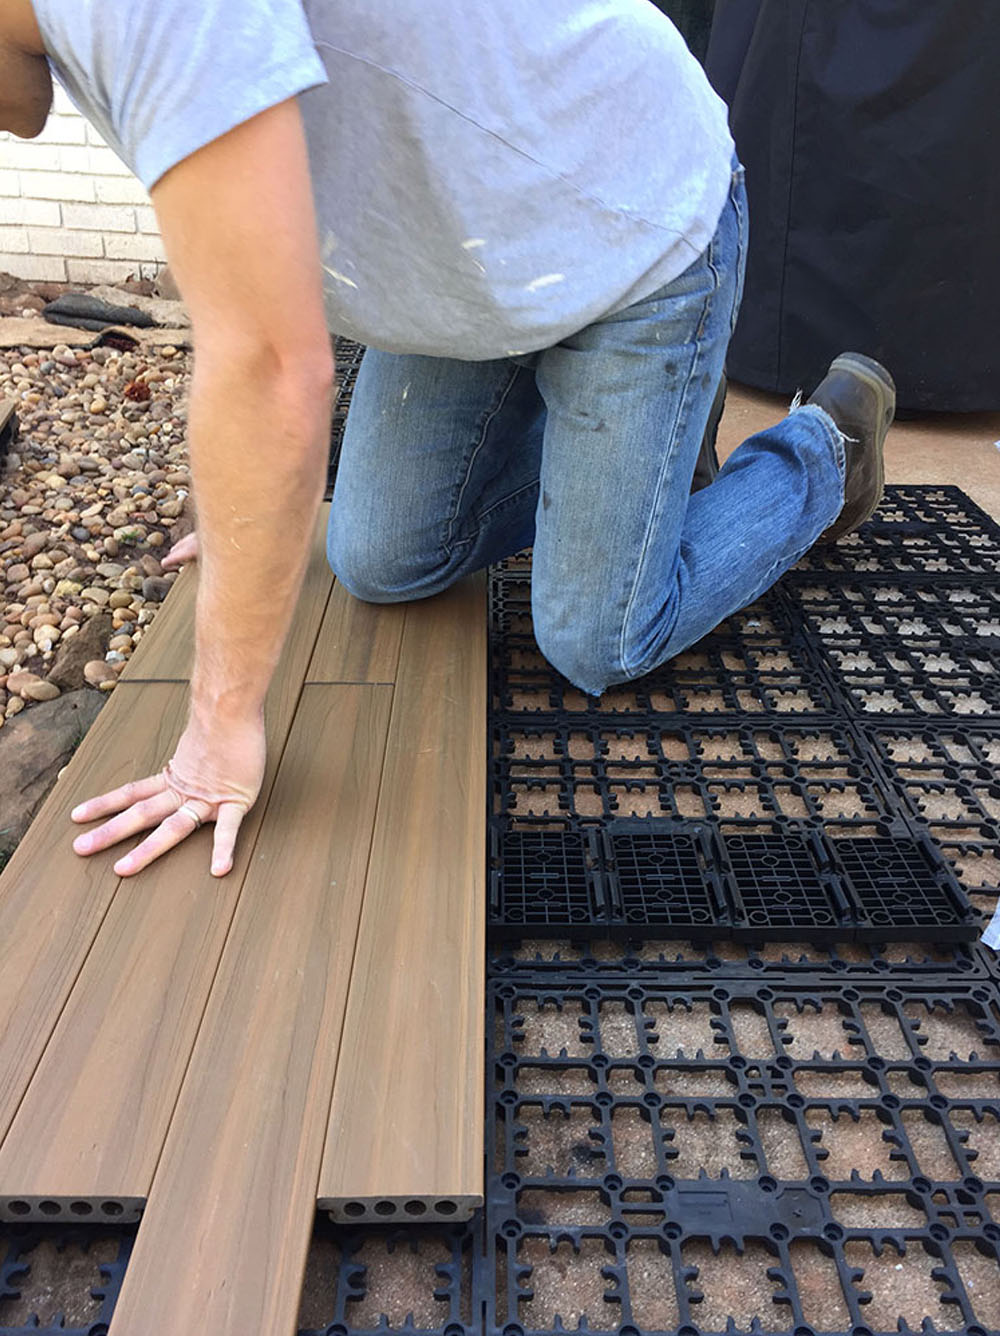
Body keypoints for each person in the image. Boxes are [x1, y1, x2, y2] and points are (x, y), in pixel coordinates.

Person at [0, 0, 894, 879]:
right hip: (479, 267)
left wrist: (216, 731)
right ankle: (657, 447)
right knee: (379, 559)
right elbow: (236, 273)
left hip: (627, 220)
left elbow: (273, 367)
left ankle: (827, 454)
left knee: (598, 639)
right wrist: (238, 510)